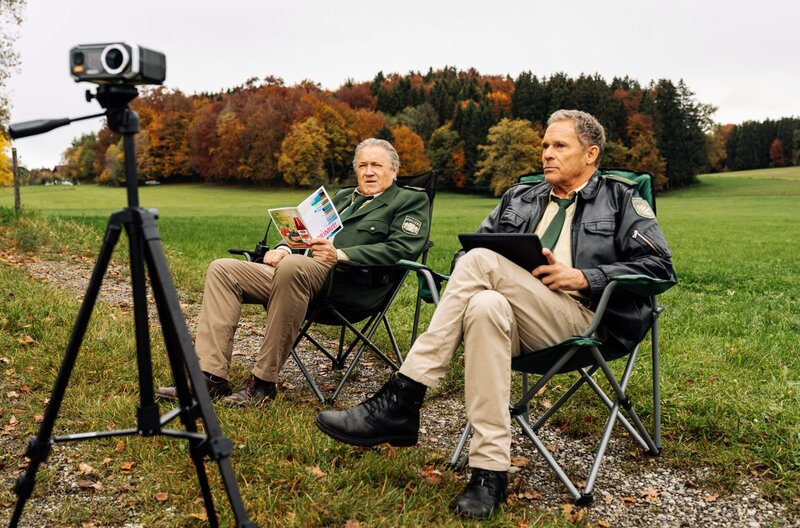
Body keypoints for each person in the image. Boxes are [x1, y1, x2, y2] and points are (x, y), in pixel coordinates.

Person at [315, 110, 675, 520]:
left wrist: (583, 277)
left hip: (585, 319)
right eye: (544, 145)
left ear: (591, 154)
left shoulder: (622, 198)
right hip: (515, 318)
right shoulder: (520, 197)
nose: (547, 154)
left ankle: (405, 394)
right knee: (485, 304)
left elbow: (660, 266)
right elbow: (464, 257)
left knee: (483, 260)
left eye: (560, 146)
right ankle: (489, 473)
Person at [156, 138, 430, 406]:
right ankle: (211, 377)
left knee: (293, 267)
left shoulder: (409, 200)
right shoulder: (344, 197)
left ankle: (263, 383)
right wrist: (284, 250)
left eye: (376, 165)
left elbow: (402, 248)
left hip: (352, 284)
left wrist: (341, 255)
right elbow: (306, 233)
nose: (368, 171)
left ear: (394, 169)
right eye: (362, 165)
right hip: (299, 274)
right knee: (223, 270)